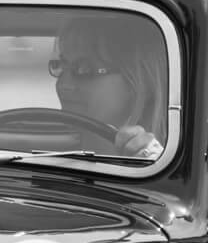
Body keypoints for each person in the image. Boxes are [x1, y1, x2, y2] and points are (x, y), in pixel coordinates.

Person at [53, 15, 166, 158]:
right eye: (61, 66)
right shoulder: (51, 158)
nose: (63, 85)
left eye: (85, 69)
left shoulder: (164, 166)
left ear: (140, 82)